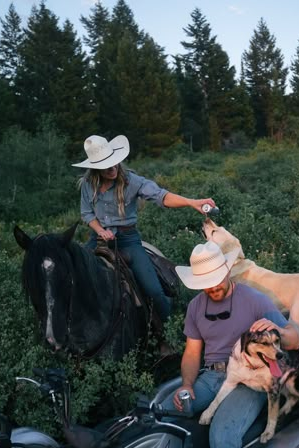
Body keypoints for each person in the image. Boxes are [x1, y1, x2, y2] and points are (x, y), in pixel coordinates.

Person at [162, 241, 299, 448]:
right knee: (165, 409)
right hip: (214, 376)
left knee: (223, 434)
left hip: (252, 379)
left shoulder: (252, 299)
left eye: (217, 278)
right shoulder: (196, 307)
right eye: (206, 282)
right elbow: (193, 354)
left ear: (226, 270)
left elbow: (294, 336)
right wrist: (186, 386)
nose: (214, 286)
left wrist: (278, 330)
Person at [73, 134, 215, 322]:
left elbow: (161, 196)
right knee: (74, 279)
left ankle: (168, 333)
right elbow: (87, 214)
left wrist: (191, 202)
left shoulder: (131, 181)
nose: (112, 168)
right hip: (98, 239)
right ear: (95, 169)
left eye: (114, 163)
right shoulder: (88, 185)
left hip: (127, 240)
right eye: (106, 166)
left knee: (153, 290)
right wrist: (100, 230)